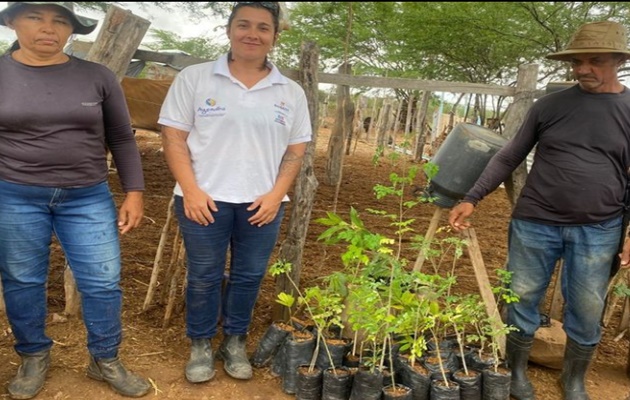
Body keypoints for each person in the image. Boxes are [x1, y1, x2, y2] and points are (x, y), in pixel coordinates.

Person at [448, 20, 630, 400]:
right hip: (535, 222)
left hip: (599, 228)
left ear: (617, 60)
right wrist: (472, 196)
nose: (582, 69)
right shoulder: (550, 106)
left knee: (586, 303)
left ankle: (574, 378)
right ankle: (516, 373)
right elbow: (511, 154)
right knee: (523, 295)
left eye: (594, 60)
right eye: (576, 62)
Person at [0, 2, 151, 399]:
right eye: (34, 17)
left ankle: (105, 359)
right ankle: (33, 355)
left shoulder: (96, 76)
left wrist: (134, 192)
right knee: (23, 279)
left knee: (102, 281)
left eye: (60, 20)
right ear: (13, 22)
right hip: (15, 194)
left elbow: (121, 137)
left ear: (71, 30)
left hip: (87, 197)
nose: (47, 28)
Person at [158, 1, 312, 384]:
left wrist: (276, 195)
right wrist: (191, 190)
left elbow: (296, 150)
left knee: (248, 276)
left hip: (262, 202)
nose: (252, 34)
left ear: (275, 37)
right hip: (202, 199)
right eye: (244, 25)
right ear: (228, 30)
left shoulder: (290, 91)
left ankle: (235, 341)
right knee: (204, 276)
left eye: (263, 27)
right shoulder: (195, 78)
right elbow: (173, 137)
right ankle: (200, 344)